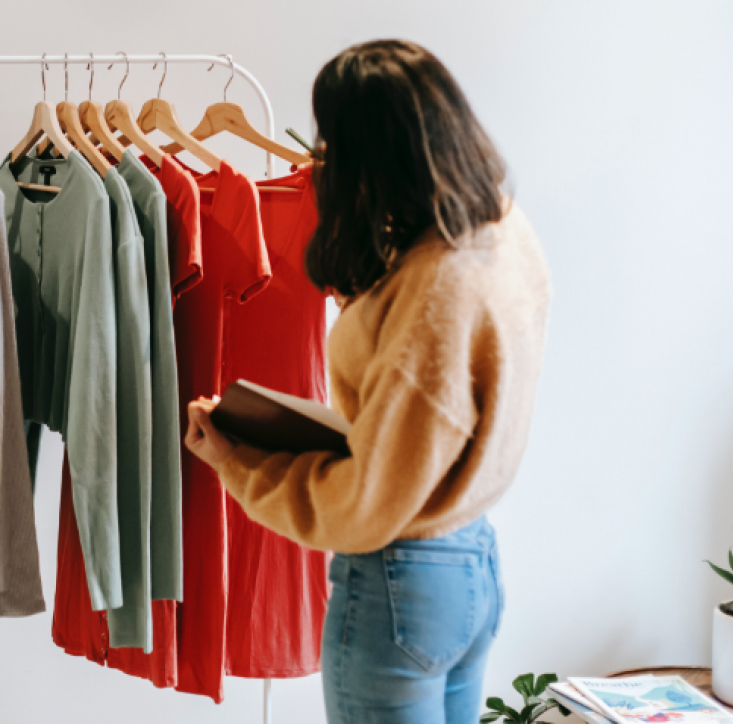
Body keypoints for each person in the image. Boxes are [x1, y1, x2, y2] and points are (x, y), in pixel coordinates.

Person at [184, 39, 552, 724]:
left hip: (399, 584)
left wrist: (237, 463)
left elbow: (364, 509)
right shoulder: (499, 231)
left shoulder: (431, 295)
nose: (320, 155)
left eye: (332, 140)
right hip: (471, 561)